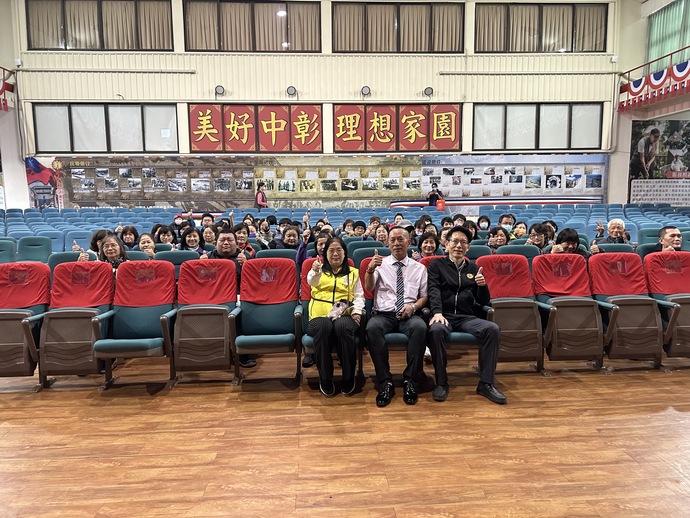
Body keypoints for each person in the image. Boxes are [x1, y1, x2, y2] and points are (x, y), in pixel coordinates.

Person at [426, 225, 506, 404]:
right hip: (444, 315)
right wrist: (437, 312)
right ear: (446, 244)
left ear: (468, 247)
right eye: (455, 241)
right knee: (436, 330)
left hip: (466, 317)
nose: (458, 246)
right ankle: (441, 382)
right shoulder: (436, 265)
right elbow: (433, 290)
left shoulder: (473, 268)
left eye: (463, 242)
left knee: (492, 329)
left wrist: (482, 286)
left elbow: (483, 301)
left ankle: (486, 383)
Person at [365, 226, 428, 407]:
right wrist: (370, 270)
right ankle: (385, 382)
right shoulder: (380, 264)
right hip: (383, 315)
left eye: (401, 239)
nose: (397, 243)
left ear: (408, 242)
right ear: (387, 243)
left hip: (408, 314)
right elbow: (369, 287)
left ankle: (411, 380)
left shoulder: (419, 268)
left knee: (420, 327)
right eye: (392, 240)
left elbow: (424, 296)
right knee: (372, 328)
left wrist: (413, 307)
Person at [306, 237, 365, 396]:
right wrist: (315, 271)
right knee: (324, 326)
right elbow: (311, 281)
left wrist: (357, 311)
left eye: (339, 250)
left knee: (343, 326)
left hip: (343, 315)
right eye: (331, 250)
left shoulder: (353, 273)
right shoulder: (318, 270)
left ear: (345, 253)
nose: (335, 254)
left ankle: (348, 377)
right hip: (319, 316)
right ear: (325, 254)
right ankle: (325, 378)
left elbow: (359, 296)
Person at [200, 227, 254, 368]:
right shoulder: (207, 258)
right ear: (215, 243)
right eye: (222, 240)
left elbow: (254, 282)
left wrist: (247, 265)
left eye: (229, 240)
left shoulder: (245, 257)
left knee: (242, 309)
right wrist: (201, 266)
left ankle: (242, 353)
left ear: (236, 243)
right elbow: (202, 283)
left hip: (238, 296)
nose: (225, 243)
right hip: (213, 296)